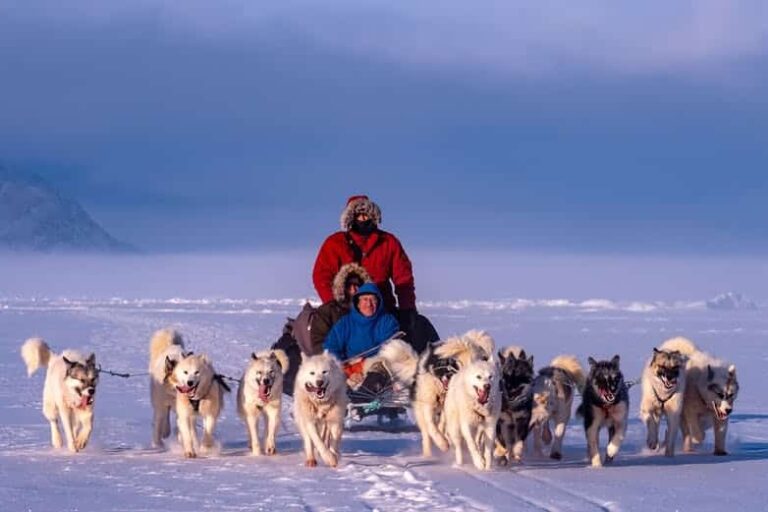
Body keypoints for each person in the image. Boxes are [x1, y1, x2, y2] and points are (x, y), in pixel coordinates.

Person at [313, 195, 437, 352]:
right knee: (321, 328)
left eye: (366, 214)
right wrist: (333, 303)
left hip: (382, 308)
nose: (363, 219)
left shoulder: (388, 242)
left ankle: (435, 364)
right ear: (350, 218)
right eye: (358, 215)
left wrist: (407, 309)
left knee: (419, 326)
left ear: (374, 216)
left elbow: (403, 279)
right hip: (344, 308)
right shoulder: (334, 243)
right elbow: (321, 276)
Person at [323, 283, 400, 364]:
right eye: (365, 299)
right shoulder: (345, 323)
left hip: (377, 366)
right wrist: (348, 370)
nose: (369, 304)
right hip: (349, 369)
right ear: (358, 303)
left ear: (379, 302)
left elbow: (389, 350)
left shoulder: (388, 322)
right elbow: (331, 348)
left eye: (373, 300)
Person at [309, 262, 371, 355]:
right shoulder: (327, 311)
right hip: (335, 363)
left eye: (356, 286)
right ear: (342, 287)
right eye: (349, 286)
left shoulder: (371, 309)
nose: (353, 290)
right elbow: (319, 342)